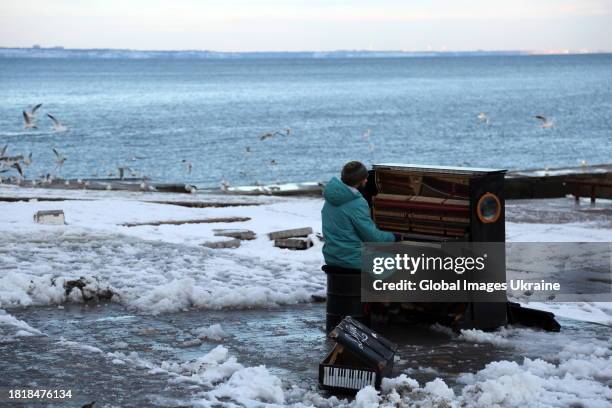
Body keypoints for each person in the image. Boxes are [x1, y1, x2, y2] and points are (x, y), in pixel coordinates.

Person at [321, 161, 398, 270]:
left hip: (332, 257)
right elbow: (373, 238)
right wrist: (394, 237)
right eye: (364, 178)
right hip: (354, 260)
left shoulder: (331, 198)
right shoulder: (356, 203)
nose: (367, 180)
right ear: (359, 181)